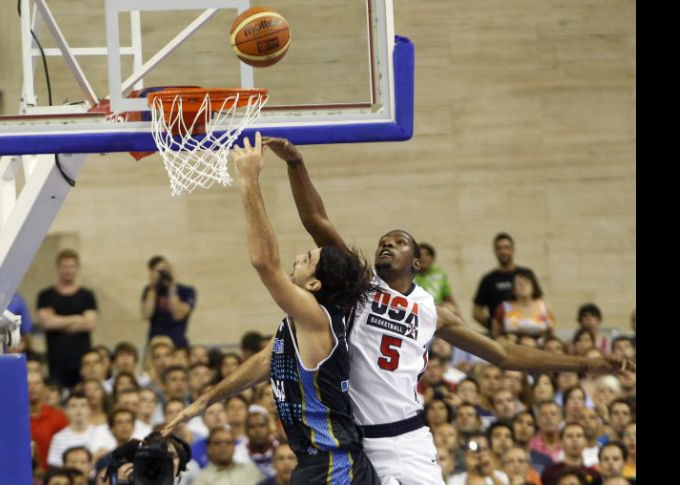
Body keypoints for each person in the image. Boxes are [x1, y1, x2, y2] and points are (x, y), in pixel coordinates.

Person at [259, 136, 632, 484]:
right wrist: (296, 163)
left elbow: (503, 354)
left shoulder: (432, 312)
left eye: (398, 242)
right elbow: (316, 220)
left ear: (417, 262)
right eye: (383, 241)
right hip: (360, 441)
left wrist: (584, 363)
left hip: (409, 438)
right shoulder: (363, 287)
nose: (387, 244)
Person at [164, 133, 380, 483]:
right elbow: (265, 361)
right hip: (321, 464)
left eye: (307, 259)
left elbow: (265, 262)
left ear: (315, 285)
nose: (298, 257)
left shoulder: (316, 316)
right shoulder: (299, 324)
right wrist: (204, 401)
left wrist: (249, 179)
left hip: (336, 466)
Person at [37, 249, 99, 389]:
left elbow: (89, 324)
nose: (68, 270)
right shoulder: (46, 296)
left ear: (77, 268)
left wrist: (57, 320)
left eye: (71, 266)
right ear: (58, 267)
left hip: (82, 359)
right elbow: (46, 323)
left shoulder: (86, 295)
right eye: (64, 266)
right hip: (56, 358)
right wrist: (77, 318)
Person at [472, 233, 537, 335]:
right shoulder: (488, 279)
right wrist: (495, 325)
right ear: (495, 251)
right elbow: (477, 312)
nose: (503, 251)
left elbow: (537, 300)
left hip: (528, 330)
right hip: (501, 334)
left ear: (513, 250)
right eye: (499, 248)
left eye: (507, 247)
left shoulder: (526, 274)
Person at [141, 255, 197, 348]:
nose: (163, 274)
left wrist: (172, 287)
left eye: (165, 269)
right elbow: (146, 314)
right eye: (158, 271)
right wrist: (153, 288)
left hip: (178, 344)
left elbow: (178, 315)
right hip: (155, 345)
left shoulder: (187, 291)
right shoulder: (150, 291)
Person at [491, 268, 555, 340]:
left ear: (533, 287)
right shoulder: (503, 308)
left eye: (526, 282)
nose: (523, 285)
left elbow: (551, 335)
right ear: (513, 289)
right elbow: (495, 335)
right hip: (512, 344)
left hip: (539, 345)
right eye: (519, 283)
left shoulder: (544, 307)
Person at [414, 242, 458, 310]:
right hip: (415, 308)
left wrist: (454, 309)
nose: (423, 258)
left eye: (427, 255)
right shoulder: (407, 275)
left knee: (451, 308)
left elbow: (448, 297)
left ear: (433, 258)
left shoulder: (439, 274)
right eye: (420, 255)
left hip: (436, 308)